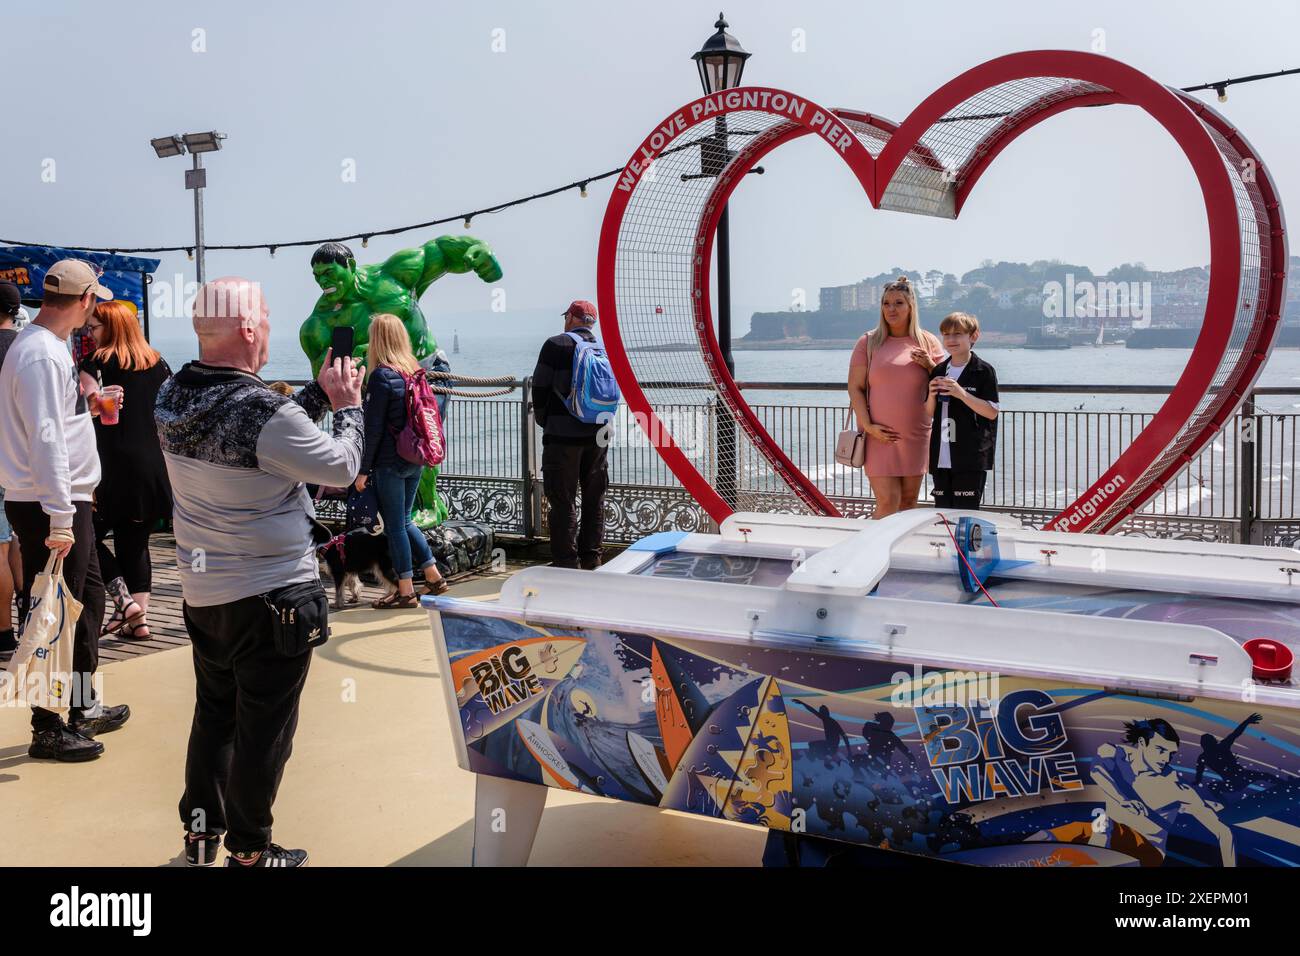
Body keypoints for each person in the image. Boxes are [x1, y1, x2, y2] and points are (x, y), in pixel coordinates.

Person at [155, 276, 363, 868]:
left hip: (205, 595)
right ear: (250, 328)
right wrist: (346, 405)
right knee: (263, 732)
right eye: (267, 315)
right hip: (272, 596)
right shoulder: (264, 413)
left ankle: (200, 837)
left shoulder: (171, 394)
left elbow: (255, 432)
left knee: (214, 718)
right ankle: (250, 852)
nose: (271, 325)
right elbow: (341, 467)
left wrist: (315, 398)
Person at [0, 261, 130, 760]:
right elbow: (45, 441)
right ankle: (48, 725)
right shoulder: (41, 355)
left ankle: (79, 704)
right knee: (55, 609)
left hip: (60, 497)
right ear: (85, 301)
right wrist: (59, 518)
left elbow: (52, 428)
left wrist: (91, 410)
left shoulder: (42, 349)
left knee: (85, 601)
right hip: (50, 501)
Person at [78, 301, 173, 640]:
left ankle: (123, 600)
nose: (89, 332)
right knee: (135, 542)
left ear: (113, 328)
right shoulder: (158, 363)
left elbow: (89, 401)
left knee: (83, 533)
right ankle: (139, 622)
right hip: (154, 468)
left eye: (95, 327)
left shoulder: (95, 363)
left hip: (110, 466)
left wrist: (94, 402)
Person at [355, 312, 449, 609]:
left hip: (389, 463)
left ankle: (406, 590)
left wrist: (362, 470)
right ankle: (433, 575)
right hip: (414, 459)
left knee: (395, 527)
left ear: (377, 341)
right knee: (406, 521)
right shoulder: (412, 372)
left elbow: (373, 430)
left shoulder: (382, 376)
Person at [847, 277, 945, 518]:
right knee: (887, 503)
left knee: (909, 503)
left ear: (911, 305)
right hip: (878, 436)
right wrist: (868, 426)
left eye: (898, 303)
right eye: (886, 303)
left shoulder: (927, 341)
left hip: (916, 435)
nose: (891, 309)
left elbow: (944, 381)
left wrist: (930, 364)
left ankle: (901, 554)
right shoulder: (868, 342)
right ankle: (872, 555)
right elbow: (855, 388)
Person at [530, 300, 611, 569]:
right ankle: (592, 557)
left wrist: (546, 422)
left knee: (562, 499)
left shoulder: (556, 344)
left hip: (563, 436)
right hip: (599, 434)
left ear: (571, 318)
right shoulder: (604, 348)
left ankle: (565, 561)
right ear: (592, 322)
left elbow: (540, 388)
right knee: (593, 497)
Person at [923, 312, 999, 511]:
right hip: (941, 455)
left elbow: (992, 412)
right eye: (946, 334)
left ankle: (966, 543)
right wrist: (931, 395)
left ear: (973, 336)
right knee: (943, 515)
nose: (951, 339)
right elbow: (929, 413)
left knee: (965, 514)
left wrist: (961, 393)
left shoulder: (983, 370)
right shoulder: (938, 370)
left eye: (958, 334)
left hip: (970, 456)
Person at [0, 281, 24, 651]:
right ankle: (30, 609)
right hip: (23, 458)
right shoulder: (25, 348)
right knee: (18, 540)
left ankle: (3, 631)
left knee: (0, 547)